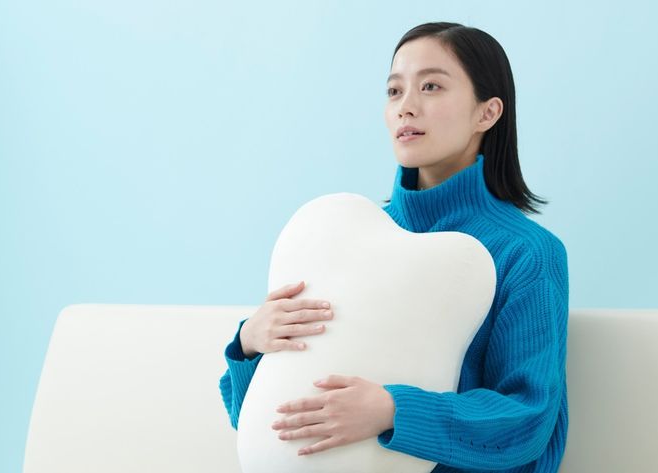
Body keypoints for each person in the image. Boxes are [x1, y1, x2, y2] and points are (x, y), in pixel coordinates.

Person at [219, 21, 569, 473]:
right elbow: (254, 416)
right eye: (394, 91)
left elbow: (528, 419)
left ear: (487, 113)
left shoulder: (526, 253)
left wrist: (392, 411)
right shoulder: (343, 235)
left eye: (430, 86)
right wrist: (251, 344)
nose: (406, 107)